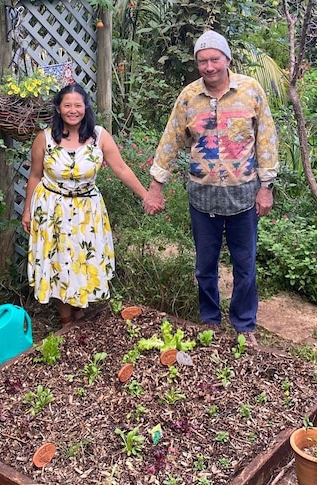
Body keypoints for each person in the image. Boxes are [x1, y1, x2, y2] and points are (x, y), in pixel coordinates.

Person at [143, 29, 279, 346]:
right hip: (202, 199)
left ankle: (245, 326)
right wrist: (155, 185)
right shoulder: (189, 97)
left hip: (243, 196)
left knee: (244, 266)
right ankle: (210, 322)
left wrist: (266, 186)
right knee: (205, 266)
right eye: (202, 61)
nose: (209, 67)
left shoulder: (251, 91)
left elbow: (267, 139)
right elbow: (170, 140)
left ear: (227, 59)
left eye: (214, 59)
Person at [22, 83, 152, 326]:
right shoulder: (45, 138)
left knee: (81, 259)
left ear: (85, 108)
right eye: (67, 105)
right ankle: (65, 319)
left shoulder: (99, 136)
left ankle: (79, 309)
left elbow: (121, 169)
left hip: (86, 211)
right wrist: (27, 210)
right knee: (60, 261)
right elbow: (35, 176)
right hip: (52, 210)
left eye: (78, 105)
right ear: (59, 109)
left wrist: (146, 195)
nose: (73, 110)